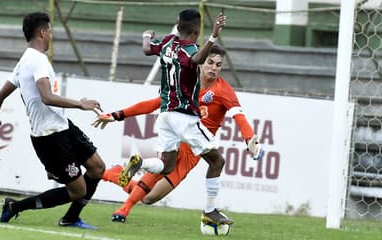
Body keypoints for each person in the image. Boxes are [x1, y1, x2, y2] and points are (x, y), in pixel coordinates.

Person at [93, 45, 262, 224]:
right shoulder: (184, 84)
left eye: (218, 65)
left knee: (149, 198)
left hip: (196, 150)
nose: (213, 68)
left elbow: (239, 117)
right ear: (200, 63)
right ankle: (123, 210)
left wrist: (249, 138)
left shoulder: (223, 91)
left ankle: (114, 174)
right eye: (210, 62)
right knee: (161, 173)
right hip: (178, 138)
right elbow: (153, 104)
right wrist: (117, 115)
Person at [0, 12, 105, 230]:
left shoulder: (24, 60)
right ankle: (15, 206)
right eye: (51, 31)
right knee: (78, 190)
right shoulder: (37, 60)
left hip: (63, 126)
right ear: (42, 32)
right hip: (49, 136)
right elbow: (46, 97)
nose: (51, 36)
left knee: (97, 167)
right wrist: (80, 104)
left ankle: (71, 218)